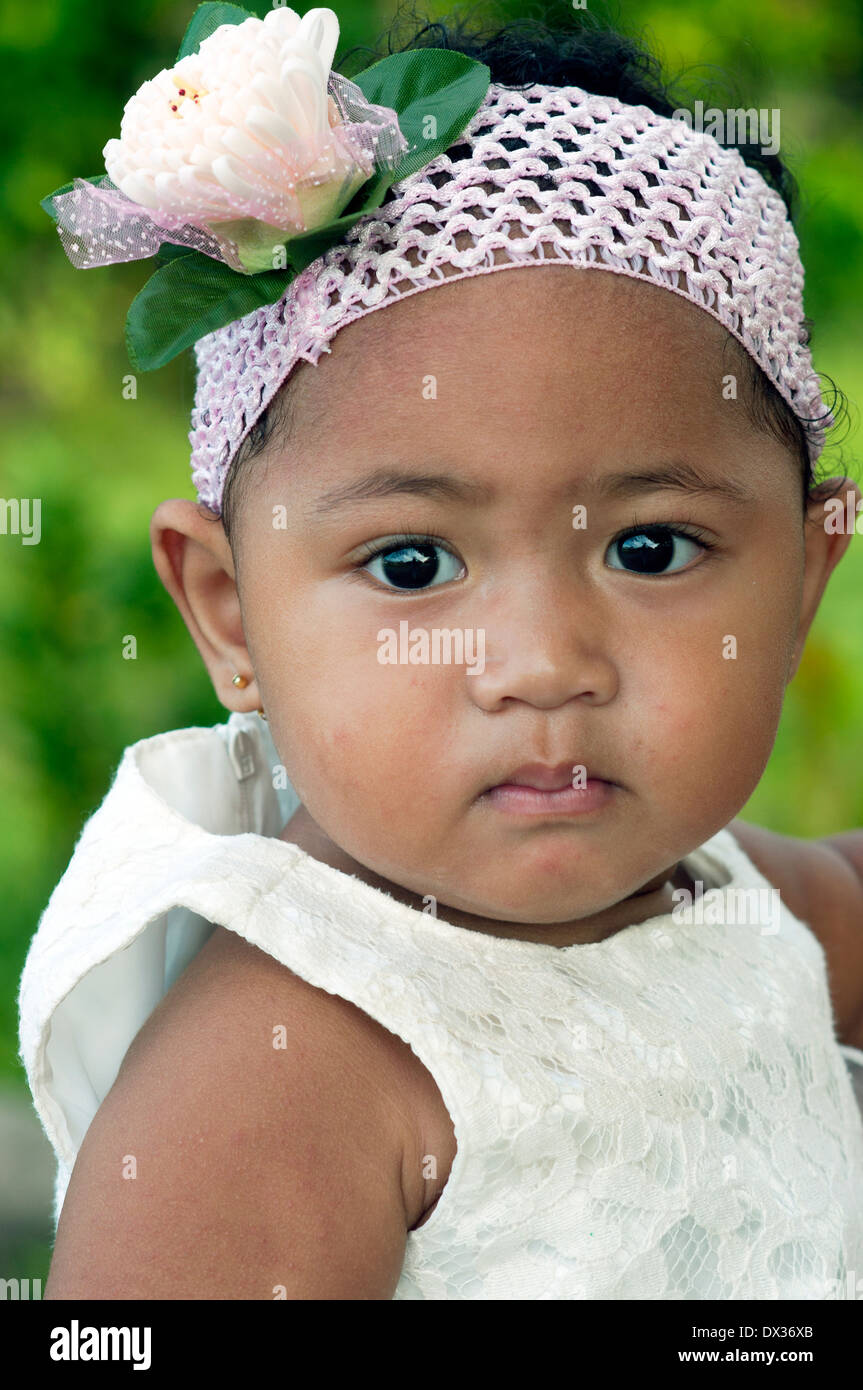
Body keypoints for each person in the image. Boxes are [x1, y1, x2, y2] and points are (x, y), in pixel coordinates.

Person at [20, 3, 863, 1299]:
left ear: (804, 575)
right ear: (233, 616)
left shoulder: (749, 905)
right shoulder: (288, 1068)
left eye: (651, 549)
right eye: (412, 564)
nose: (541, 662)